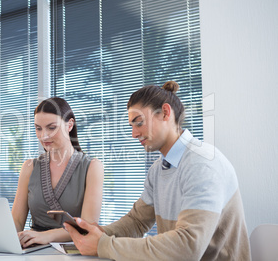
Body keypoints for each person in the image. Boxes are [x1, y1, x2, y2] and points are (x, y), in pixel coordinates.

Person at [64, 81, 250, 260]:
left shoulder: (202, 163)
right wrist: (98, 233)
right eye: (131, 126)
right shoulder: (159, 169)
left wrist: (103, 246)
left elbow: (188, 248)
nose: (134, 134)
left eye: (139, 122)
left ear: (165, 113)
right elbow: (137, 222)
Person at [11, 97, 104, 248]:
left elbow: (88, 227)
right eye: (38, 128)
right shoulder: (29, 167)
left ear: (69, 125)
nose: (44, 136)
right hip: (34, 248)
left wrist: (45, 236)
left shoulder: (92, 167)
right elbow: (17, 221)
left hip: (73, 249)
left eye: (51, 127)